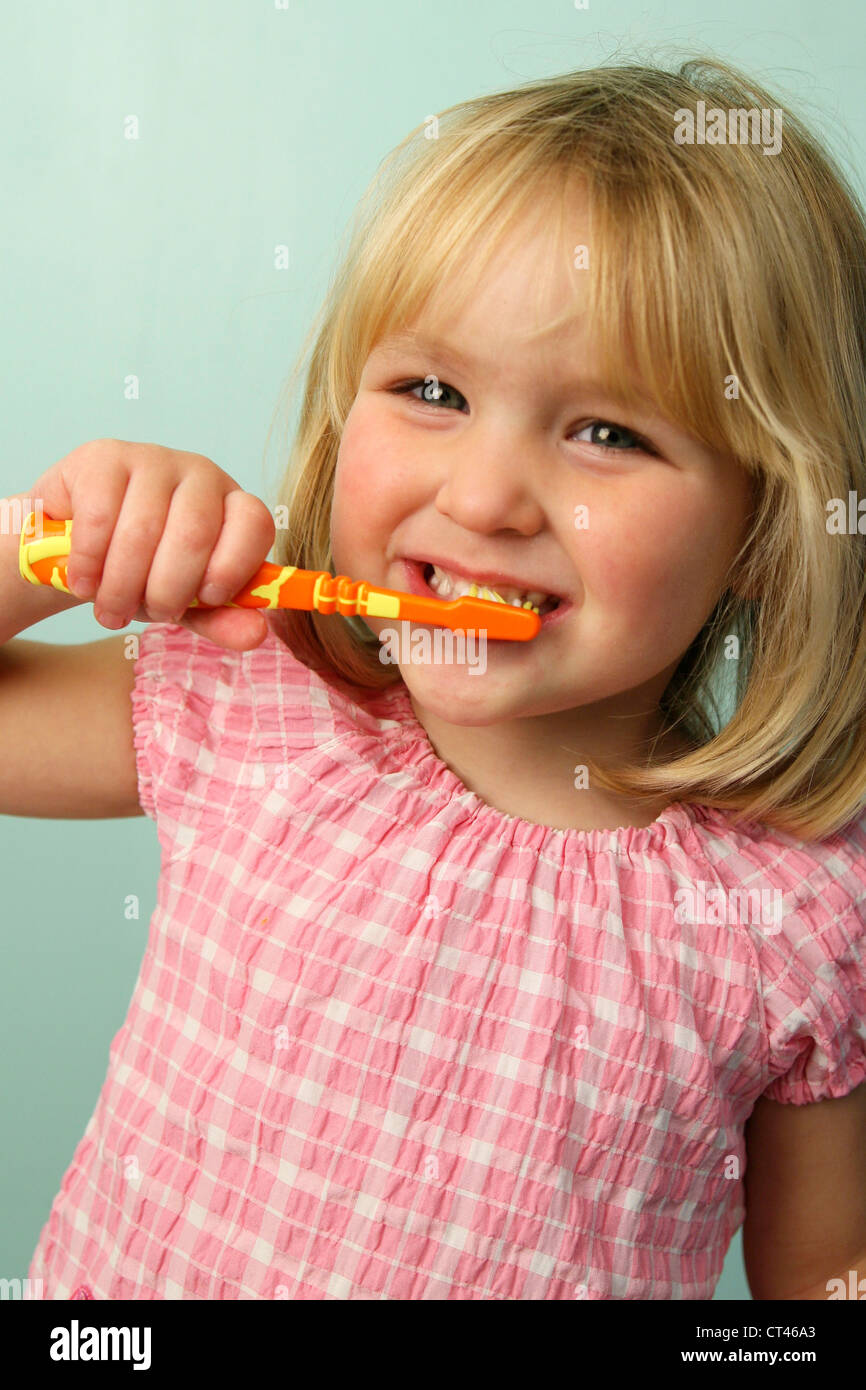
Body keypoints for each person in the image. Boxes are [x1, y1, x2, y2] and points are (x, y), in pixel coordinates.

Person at [4, 56, 865, 1300]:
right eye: (431, 391)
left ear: (762, 528)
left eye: (606, 433)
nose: (478, 498)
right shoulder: (255, 705)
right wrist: (50, 537)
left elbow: (820, 1276)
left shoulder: (795, 917)